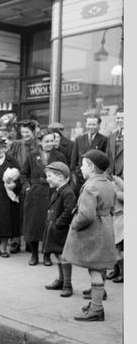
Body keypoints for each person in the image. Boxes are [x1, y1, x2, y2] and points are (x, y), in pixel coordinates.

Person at [62, 150, 116, 322]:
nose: (81, 168)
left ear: (91, 167)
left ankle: (96, 309)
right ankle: (95, 303)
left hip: (93, 232)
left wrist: (74, 224)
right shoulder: (107, 183)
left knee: (94, 269)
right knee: (100, 267)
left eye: (83, 165)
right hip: (106, 227)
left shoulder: (91, 186)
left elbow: (86, 215)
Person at [20, 130, 67, 266]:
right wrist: (27, 188)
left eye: (52, 141)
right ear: (40, 142)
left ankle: (47, 255)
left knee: (49, 224)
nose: (50, 144)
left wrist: (61, 190)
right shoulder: (32, 155)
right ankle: (34, 255)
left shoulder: (59, 156)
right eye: (46, 141)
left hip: (53, 193)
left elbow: (66, 175)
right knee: (33, 225)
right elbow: (23, 174)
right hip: (35, 193)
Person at [42, 162, 77, 297]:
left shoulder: (67, 192)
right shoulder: (59, 191)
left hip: (61, 230)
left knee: (63, 256)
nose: (47, 179)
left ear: (61, 177)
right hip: (55, 229)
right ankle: (62, 281)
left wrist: (58, 224)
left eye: (49, 176)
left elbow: (69, 211)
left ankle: (68, 285)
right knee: (57, 254)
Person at [8, 119, 39, 253]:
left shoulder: (38, 144)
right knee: (15, 212)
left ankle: (29, 241)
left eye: (27, 132)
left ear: (33, 132)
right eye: (22, 132)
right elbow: (9, 159)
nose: (24, 134)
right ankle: (15, 241)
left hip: (33, 181)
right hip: (17, 181)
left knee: (30, 213)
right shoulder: (16, 144)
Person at [70, 115, 108, 194]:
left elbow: (105, 160)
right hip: (80, 177)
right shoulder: (79, 139)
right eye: (89, 124)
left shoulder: (104, 140)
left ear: (99, 125)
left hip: (96, 178)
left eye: (94, 124)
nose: (91, 127)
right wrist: (75, 173)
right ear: (85, 124)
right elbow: (73, 159)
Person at [106, 107, 123, 178]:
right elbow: (107, 156)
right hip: (113, 176)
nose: (120, 120)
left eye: (122, 118)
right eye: (118, 118)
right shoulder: (112, 136)